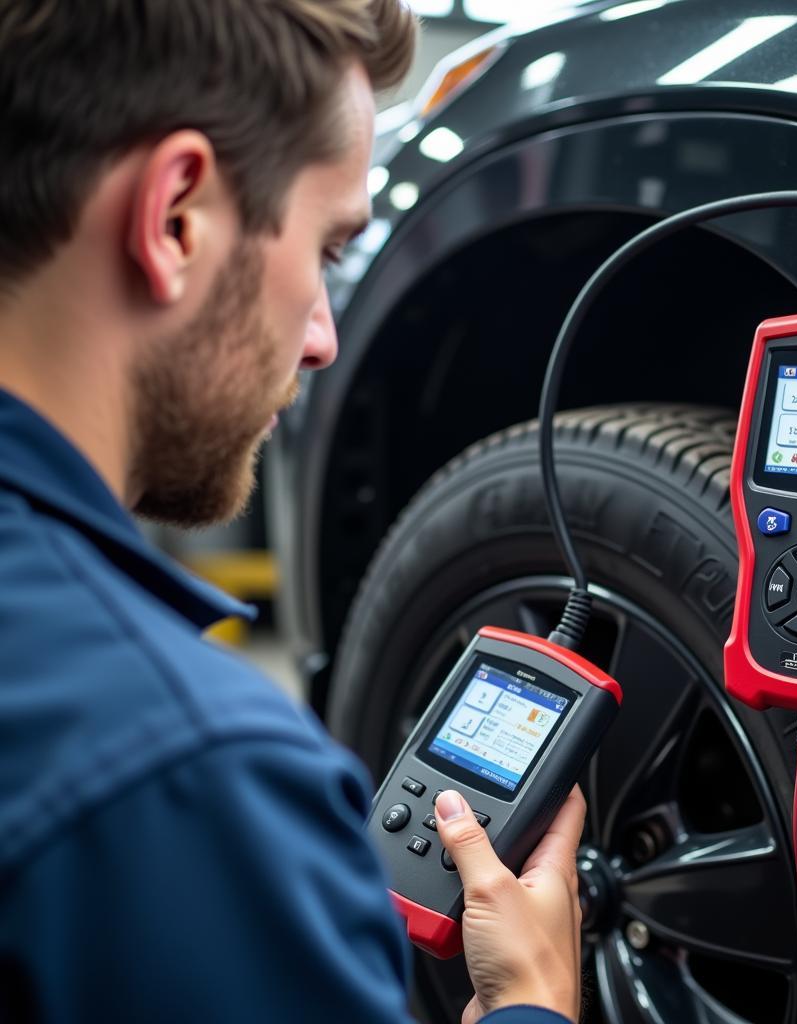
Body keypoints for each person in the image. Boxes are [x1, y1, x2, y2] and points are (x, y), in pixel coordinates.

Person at [0, 2, 586, 1021]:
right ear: (176, 216)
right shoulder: (191, 782)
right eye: (324, 247)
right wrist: (533, 999)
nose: (320, 337)